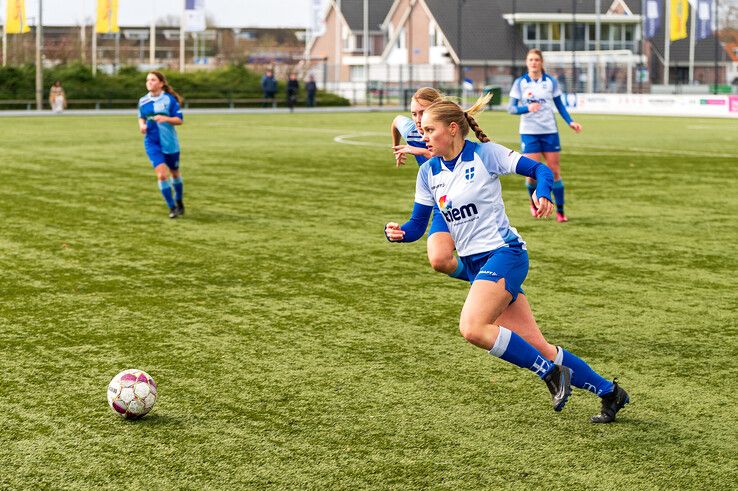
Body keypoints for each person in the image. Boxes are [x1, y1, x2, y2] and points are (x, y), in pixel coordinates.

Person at [385, 94, 630, 423]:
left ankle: (551, 375)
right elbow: (417, 227)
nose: (423, 136)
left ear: (453, 129)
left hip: (506, 254)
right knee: (537, 345)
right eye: (422, 130)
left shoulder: (485, 155)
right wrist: (398, 232)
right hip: (477, 266)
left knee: (472, 327)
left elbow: (540, 169)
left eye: (429, 129)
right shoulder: (428, 172)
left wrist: (542, 193)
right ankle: (609, 392)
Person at [390, 87, 468, 282]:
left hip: (467, 200)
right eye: (414, 113)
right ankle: (482, 278)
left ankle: (492, 280)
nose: (417, 119)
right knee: (439, 260)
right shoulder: (413, 132)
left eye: (422, 112)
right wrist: (396, 148)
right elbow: (396, 121)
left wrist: (421, 152)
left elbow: (450, 157)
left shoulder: (448, 134)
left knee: (478, 254)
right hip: (441, 201)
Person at [508, 49, 582, 222]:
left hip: (549, 132)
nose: (533, 62)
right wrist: (527, 108)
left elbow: (560, 105)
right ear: (527, 63)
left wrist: (570, 122)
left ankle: (561, 211)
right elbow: (511, 108)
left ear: (541, 62)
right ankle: (534, 204)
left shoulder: (550, 82)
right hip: (529, 133)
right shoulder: (520, 83)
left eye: (536, 60)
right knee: (531, 174)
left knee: (555, 171)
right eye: (530, 60)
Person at [137, 71, 186, 219]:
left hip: (169, 143)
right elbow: (141, 117)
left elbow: (180, 120)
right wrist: (142, 126)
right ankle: (172, 207)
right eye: (147, 80)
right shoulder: (143, 101)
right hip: (152, 143)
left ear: (161, 83)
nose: (149, 82)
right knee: (162, 175)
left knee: (175, 173)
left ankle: (179, 201)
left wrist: (165, 118)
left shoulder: (170, 100)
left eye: (153, 80)